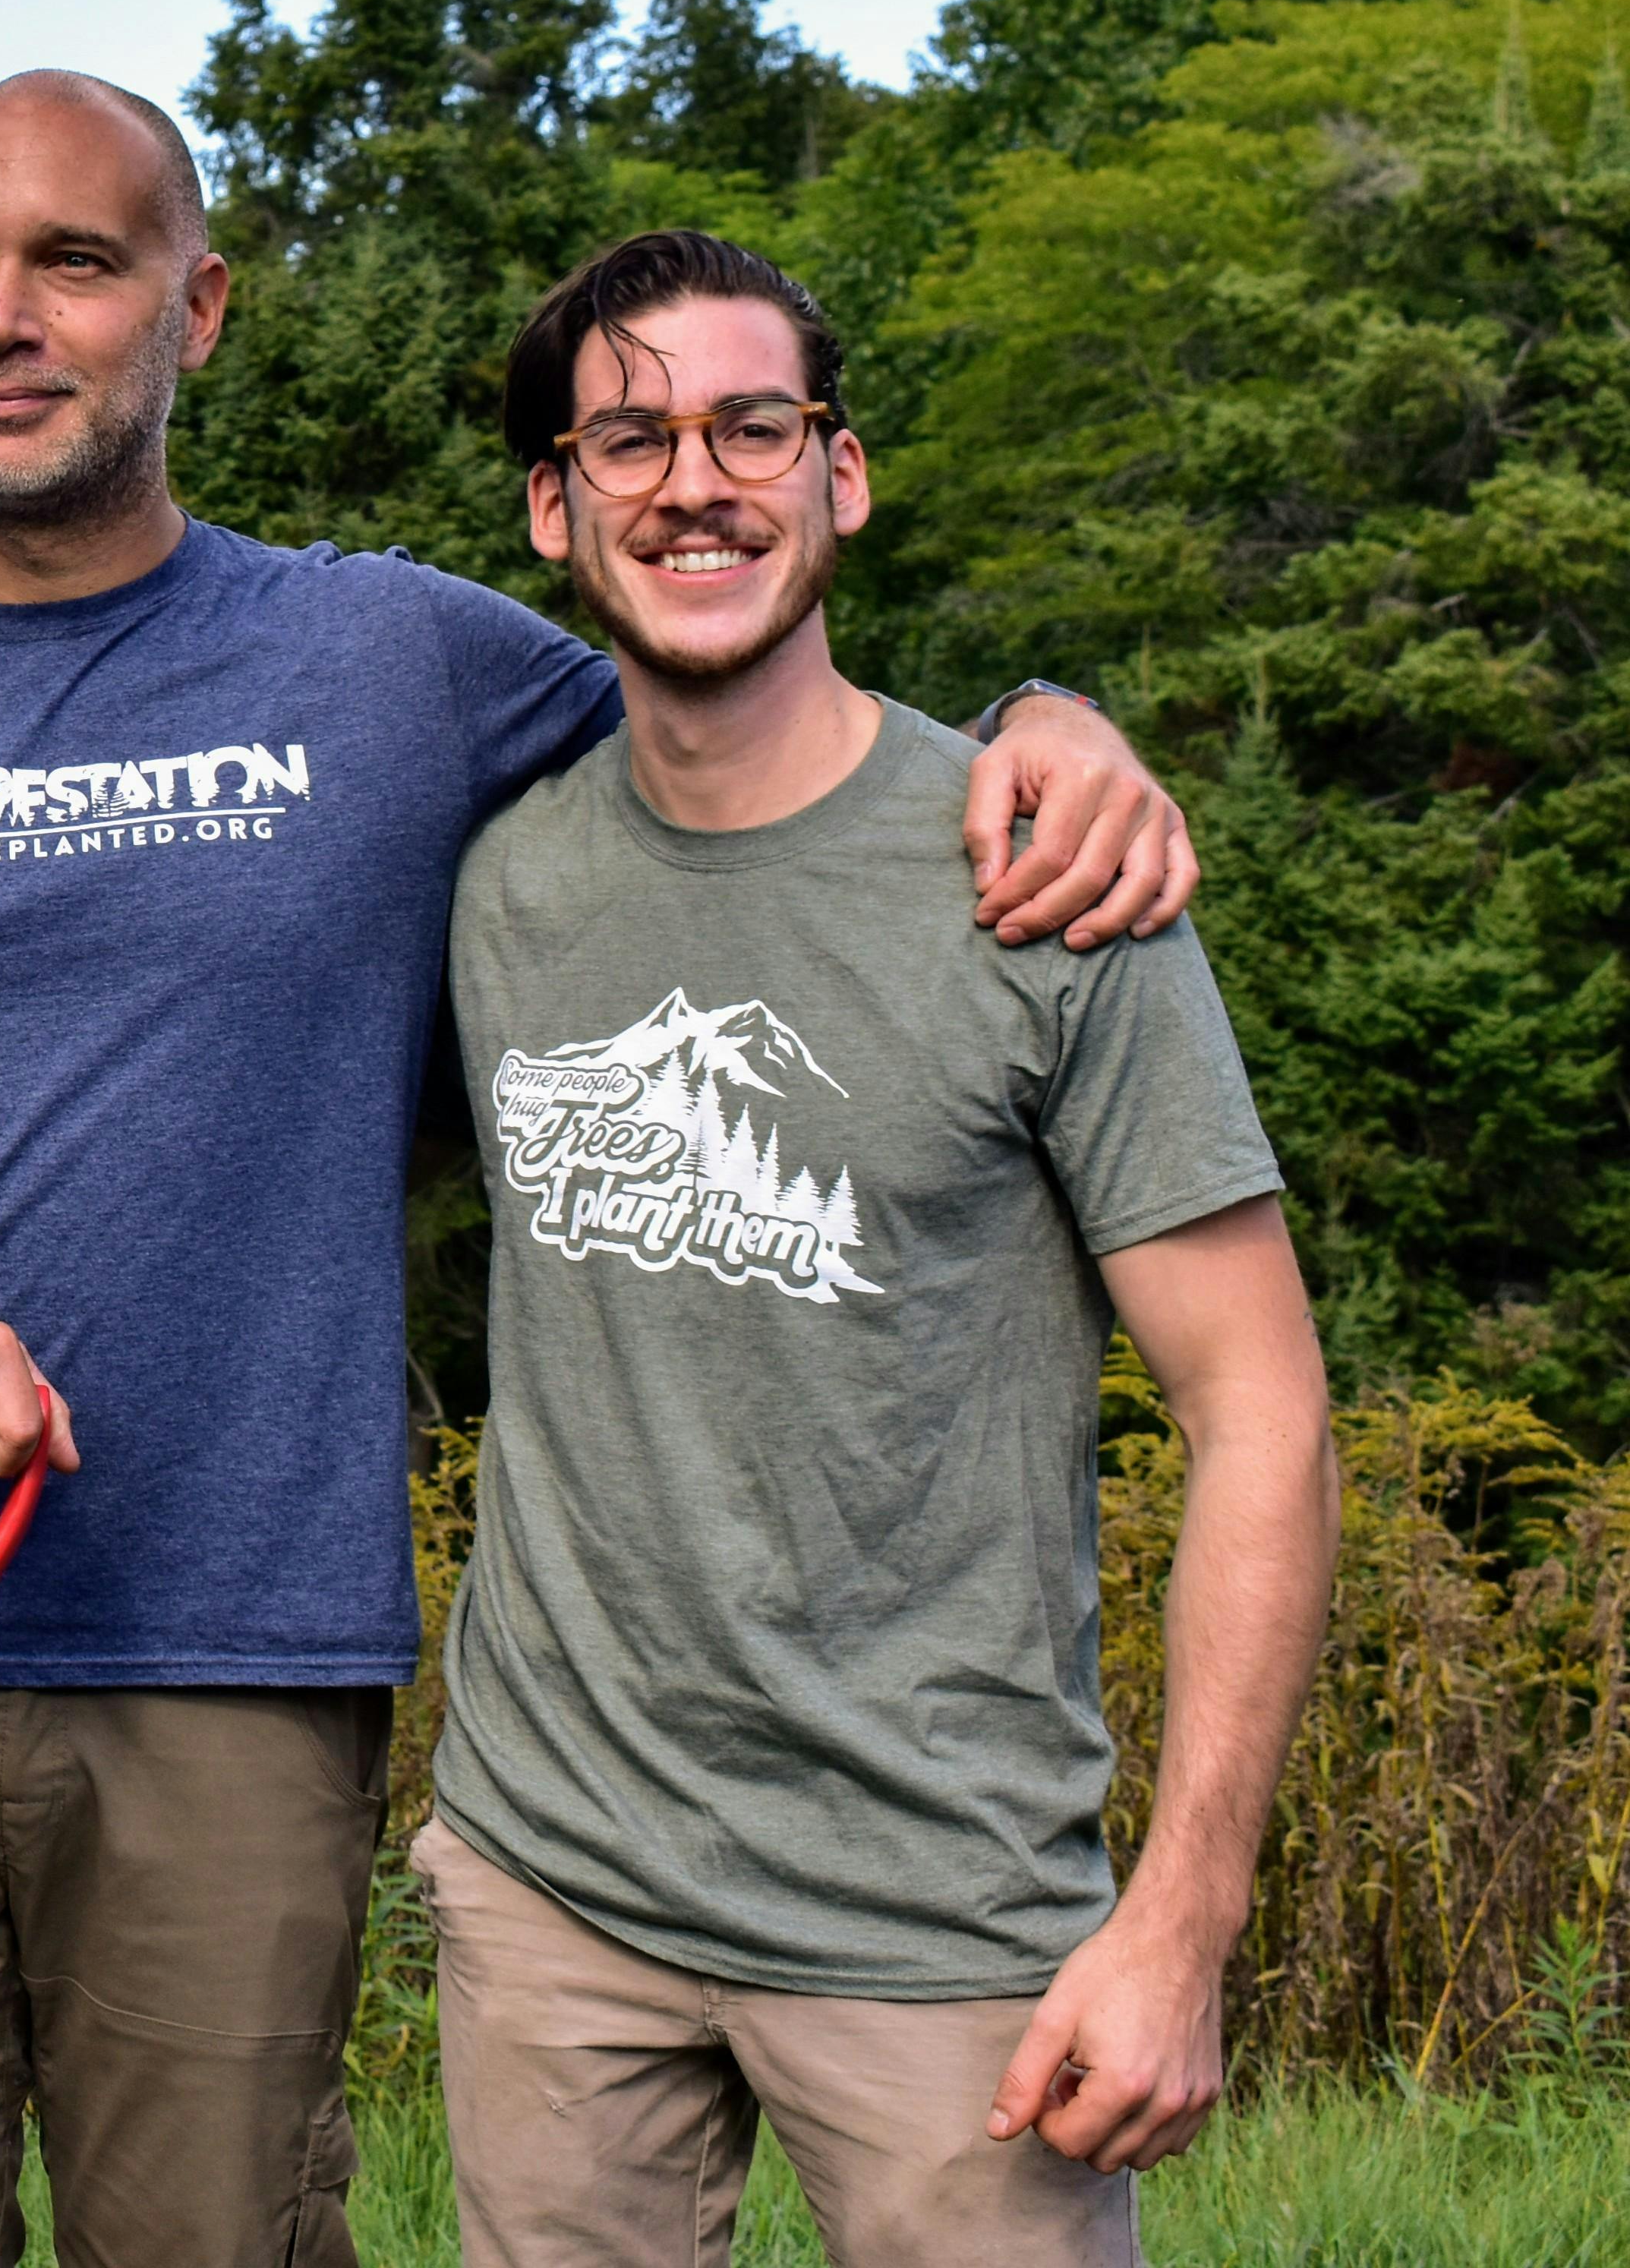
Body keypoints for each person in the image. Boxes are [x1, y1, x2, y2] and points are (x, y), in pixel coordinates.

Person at [0, 71, 1205, 2268]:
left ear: (200, 308)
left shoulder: (398, 659)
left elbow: (741, 707)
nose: (1, 313)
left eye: (77, 260)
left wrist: (1043, 717)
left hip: (235, 1648)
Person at [414, 227, 1333, 2264]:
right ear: (555, 507)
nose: (696, 481)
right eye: (630, 438)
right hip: (556, 1889)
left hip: (945, 1925)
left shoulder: (1046, 876)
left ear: (844, 475)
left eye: (757, 425)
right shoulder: (497, 892)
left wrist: (1180, 1922)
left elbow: (1259, 1411)